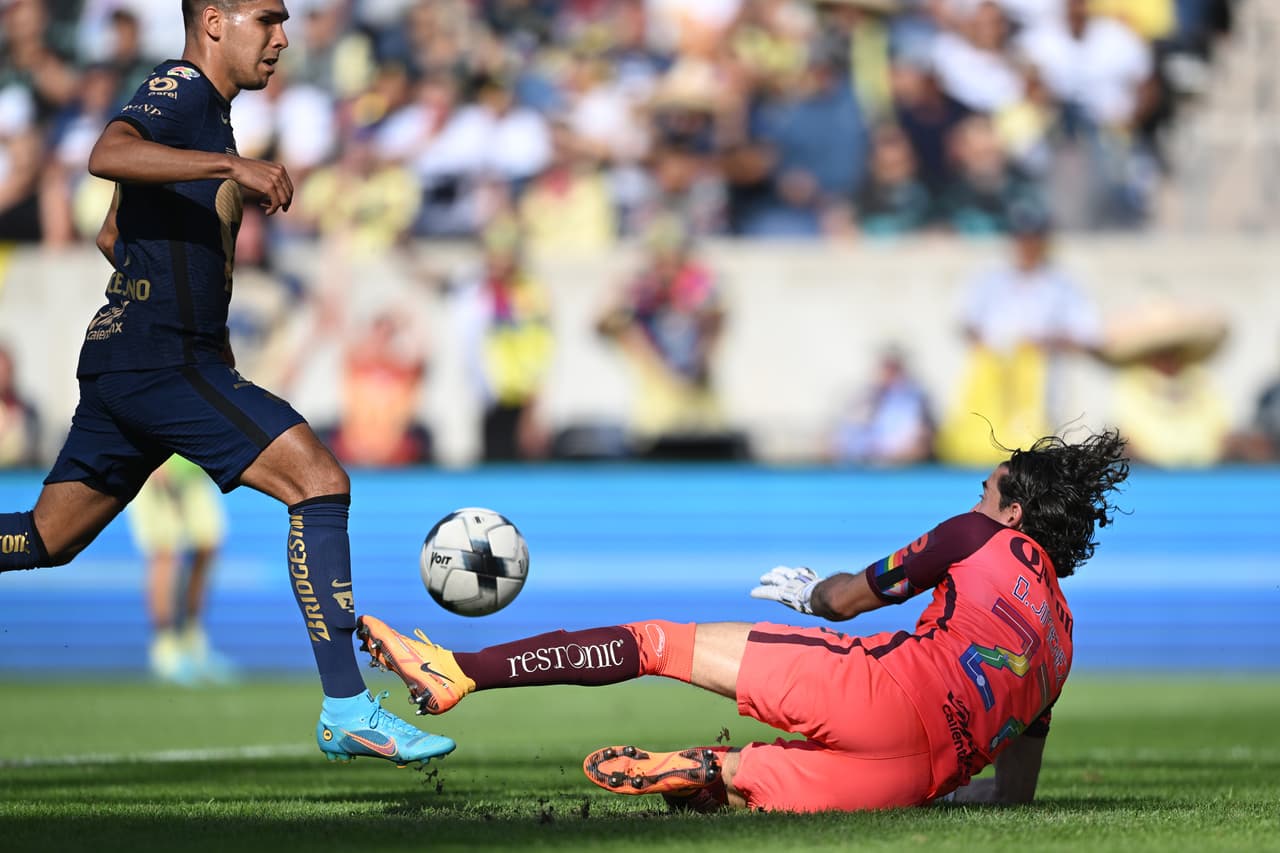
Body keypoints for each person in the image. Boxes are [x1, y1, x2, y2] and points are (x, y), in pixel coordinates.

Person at [0, 0, 453, 768]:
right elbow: (108, 151)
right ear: (214, 21)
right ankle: (348, 708)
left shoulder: (209, 117)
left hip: (129, 357)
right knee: (318, 480)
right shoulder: (182, 90)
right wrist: (229, 170)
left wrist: (171, 288)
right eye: (266, 20)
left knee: (48, 536)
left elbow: (113, 232)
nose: (282, 38)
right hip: (164, 360)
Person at [358, 430, 1130, 812]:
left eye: (986, 490)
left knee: (657, 643)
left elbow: (849, 599)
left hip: (877, 694)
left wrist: (811, 593)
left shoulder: (979, 535)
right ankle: (711, 770)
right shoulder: (1063, 639)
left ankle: (456, 670)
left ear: (1014, 512)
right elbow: (1013, 795)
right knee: (738, 778)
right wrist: (942, 786)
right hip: (910, 778)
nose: (975, 502)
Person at [127, 454, 236, 685]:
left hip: (194, 465)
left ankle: (192, 641)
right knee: (164, 553)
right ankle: (165, 649)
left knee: (207, 545)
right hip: (153, 463)